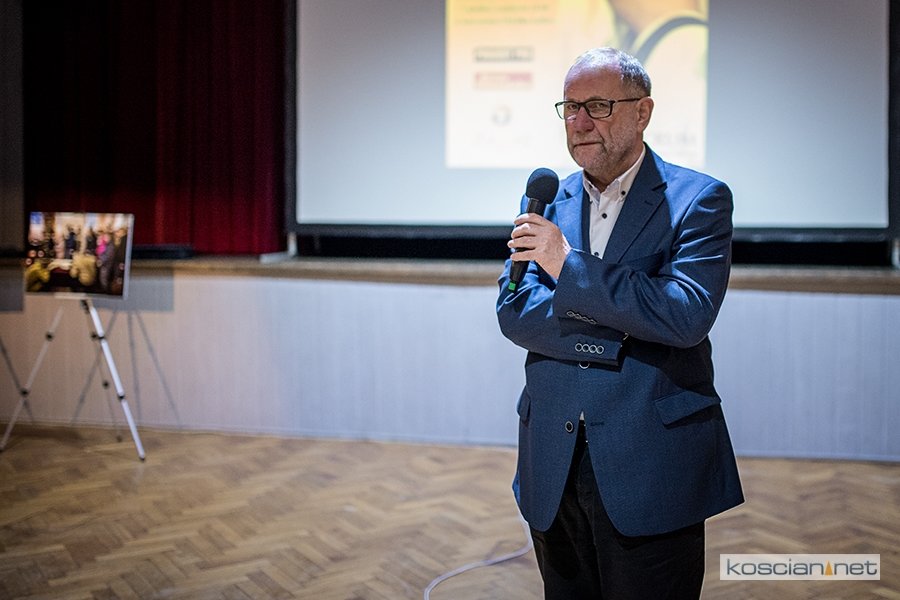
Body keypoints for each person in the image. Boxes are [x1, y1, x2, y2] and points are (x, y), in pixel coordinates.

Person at [496, 47, 743, 599]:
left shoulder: (698, 199)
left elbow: (685, 315)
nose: (580, 122)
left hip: (651, 460)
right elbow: (514, 311)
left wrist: (567, 268)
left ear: (643, 112)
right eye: (570, 107)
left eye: (598, 106)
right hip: (552, 457)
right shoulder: (550, 200)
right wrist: (619, 332)